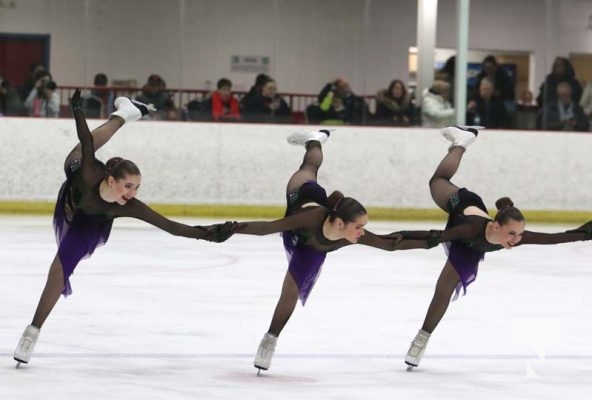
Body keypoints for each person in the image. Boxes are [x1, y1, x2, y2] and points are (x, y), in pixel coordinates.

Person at [13, 89, 239, 366]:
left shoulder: (127, 206)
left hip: (90, 221)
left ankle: (31, 332)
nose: (132, 193)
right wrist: (78, 110)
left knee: (59, 269)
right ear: (110, 180)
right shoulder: (90, 173)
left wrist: (209, 235)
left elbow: (170, 227)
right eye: (128, 186)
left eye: (137, 187)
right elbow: (86, 141)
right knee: (80, 152)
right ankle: (122, 116)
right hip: (77, 189)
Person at [232, 129, 439, 372]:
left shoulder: (349, 233)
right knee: (309, 167)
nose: (362, 232)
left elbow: (389, 243)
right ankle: (315, 141)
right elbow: (268, 227)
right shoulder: (310, 218)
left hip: (315, 240)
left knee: (291, 288)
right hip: (301, 203)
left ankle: (270, 338)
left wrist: (431, 240)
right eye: (359, 226)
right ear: (341, 223)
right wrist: (230, 229)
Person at [401, 126, 592, 370]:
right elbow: (439, 236)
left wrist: (586, 233)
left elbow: (554, 238)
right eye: (512, 233)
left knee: (444, 289)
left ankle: (421, 339)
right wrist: (398, 240)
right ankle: (462, 140)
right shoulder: (471, 227)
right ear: (496, 226)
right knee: (437, 181)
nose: (516, 239)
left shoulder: (512, 236)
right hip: (462, 207)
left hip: (471, 246)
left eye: (520, 234)